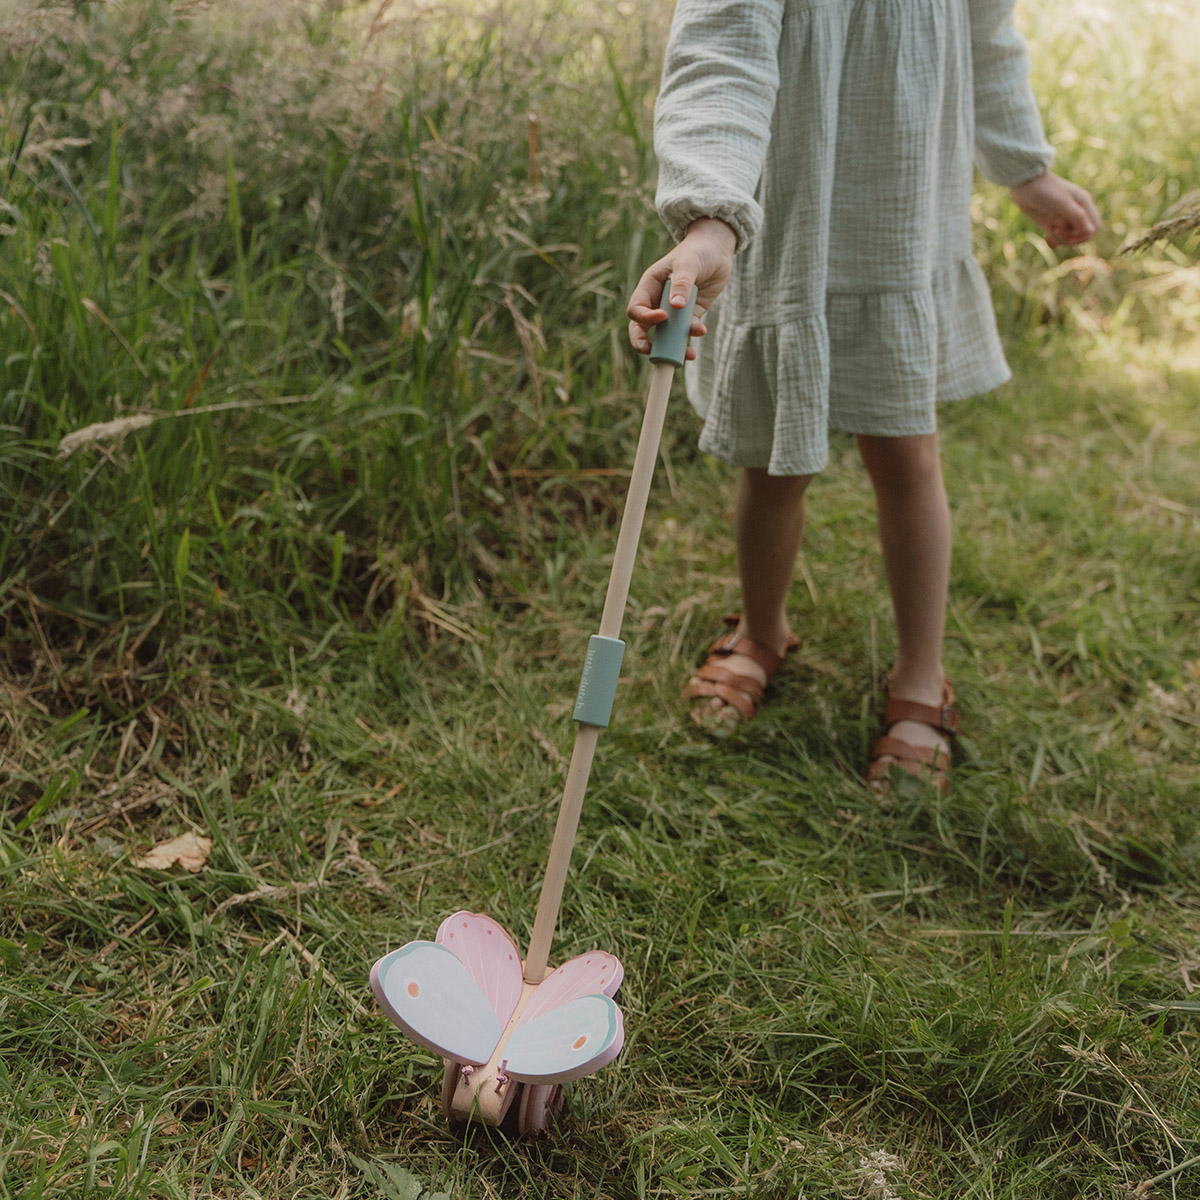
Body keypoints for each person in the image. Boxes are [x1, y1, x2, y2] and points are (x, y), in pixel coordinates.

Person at [627, 0, 1099, 791]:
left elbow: (988, 37)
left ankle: (920, 675)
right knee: (774, 457)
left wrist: (1027, 169)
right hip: (784, 217)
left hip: (901, 217)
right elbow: (723, 52)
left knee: (907, 454)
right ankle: (763, 630)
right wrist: (709, 217)